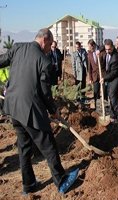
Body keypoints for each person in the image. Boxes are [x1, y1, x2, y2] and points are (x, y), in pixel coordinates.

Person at [0, 28, 79, 194]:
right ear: (44, 39)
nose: (50, 48)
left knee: (24, 148)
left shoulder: (18, 48)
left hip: (13, 108)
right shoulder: (44, 61)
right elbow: (45, 93)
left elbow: (1, 61)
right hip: (30, 110)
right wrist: (53, 111)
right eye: (50, 44)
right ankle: (61, 181)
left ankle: (28, 186)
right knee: (49, 145)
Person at [100, 39, 118, 122]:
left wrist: (104, 78)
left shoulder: (115, 57)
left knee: (112, 94)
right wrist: (98, 51)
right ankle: (113, 115)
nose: (107, 51)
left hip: (117, 78)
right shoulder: (107, 52)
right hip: (111, 77)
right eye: (106, 49)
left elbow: (113, 73)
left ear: (112, 47)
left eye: (109, 49)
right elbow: (101, 48)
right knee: (111, 95)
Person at [87, 39, 106, 110]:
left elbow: (104, 46)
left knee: (104, 91)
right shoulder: (89, 54)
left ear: (94, 45)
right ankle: (97, 108)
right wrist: (90, 78)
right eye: (89, 47)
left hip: (102, 75)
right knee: (96, 92)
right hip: (95, 76)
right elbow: (89, 67)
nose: (90, 49)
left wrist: (99, 50)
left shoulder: (101, 51)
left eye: (91, 47)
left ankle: (105, 106)